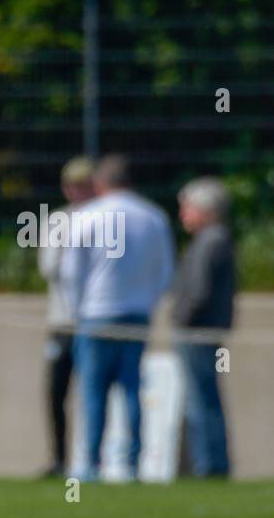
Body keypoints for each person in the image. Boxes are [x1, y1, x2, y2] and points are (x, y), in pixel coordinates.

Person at [62, 155, 175, 480]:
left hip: (95, 315)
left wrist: (78, 310)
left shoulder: (87, 216)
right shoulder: (154, 217)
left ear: (100, 182)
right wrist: (147, 304)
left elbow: (71, 273)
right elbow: (165, 272)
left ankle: (91, 463)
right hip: (137, 315)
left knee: (93, 391)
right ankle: (133, 462)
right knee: (132, 390)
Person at [172, 177, 235, 478]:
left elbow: (199, 291)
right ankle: (211, 462)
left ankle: (209, 465)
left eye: (187, 208)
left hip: (198, 332)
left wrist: (180, 318)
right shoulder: (216, 239)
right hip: (203, 331)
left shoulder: (211, 240)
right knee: (204, 397)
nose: (183, 214)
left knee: (202, 399)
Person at [38, 156, 95, 478]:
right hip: (63, 322)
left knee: (94, 393)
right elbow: (49, 268)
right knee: (56, 392)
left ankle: (90, 460)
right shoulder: (59, 220)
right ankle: (60, 458)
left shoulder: (107, 217)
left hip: (96, 322)